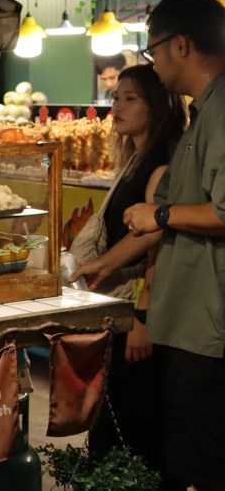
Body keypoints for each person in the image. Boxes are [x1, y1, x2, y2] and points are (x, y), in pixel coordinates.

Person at [72, 0, 225, 491]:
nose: (153, 63)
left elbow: (211, 212)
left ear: (181, 46)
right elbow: (167, 221)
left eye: (153, 50)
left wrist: (158, 212)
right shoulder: (205, 110)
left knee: (196, 462)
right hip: (188, 321)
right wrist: (101, 265)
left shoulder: (221, 110)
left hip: (207, 327)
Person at [74, 65, 186, 476]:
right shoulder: (138, 156)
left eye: (130, 99)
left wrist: (142, 318)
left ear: (156, 106)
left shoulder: (160, 162)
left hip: (139, 309)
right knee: (115, 415)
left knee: (135, 422)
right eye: (115, 98)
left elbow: (158, 240)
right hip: (120, 304)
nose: (116, 107)